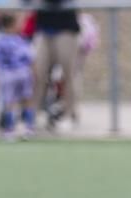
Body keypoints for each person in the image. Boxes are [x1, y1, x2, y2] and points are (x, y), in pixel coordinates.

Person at [29, 0, 81, 131]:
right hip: (44, 27)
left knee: (67, 74)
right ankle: (32, 115)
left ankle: (69, 115)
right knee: (38, 74)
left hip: (66, 27)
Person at [0, 12, 36, 141]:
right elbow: (30, 59)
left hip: (11, 75)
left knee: (14, 101)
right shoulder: (21, 40)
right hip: (18, 73)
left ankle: (14, 129)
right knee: (21, 100)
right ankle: (24, 128)